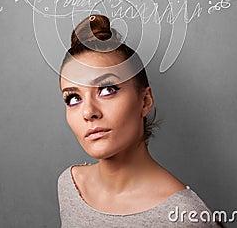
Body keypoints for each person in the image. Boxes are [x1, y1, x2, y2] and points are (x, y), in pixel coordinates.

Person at [57, 14, 223, 227]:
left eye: (107, 89)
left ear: (145, 101)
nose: (88, 112)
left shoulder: (185, 217)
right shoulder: (70, 186)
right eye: (73, 98)